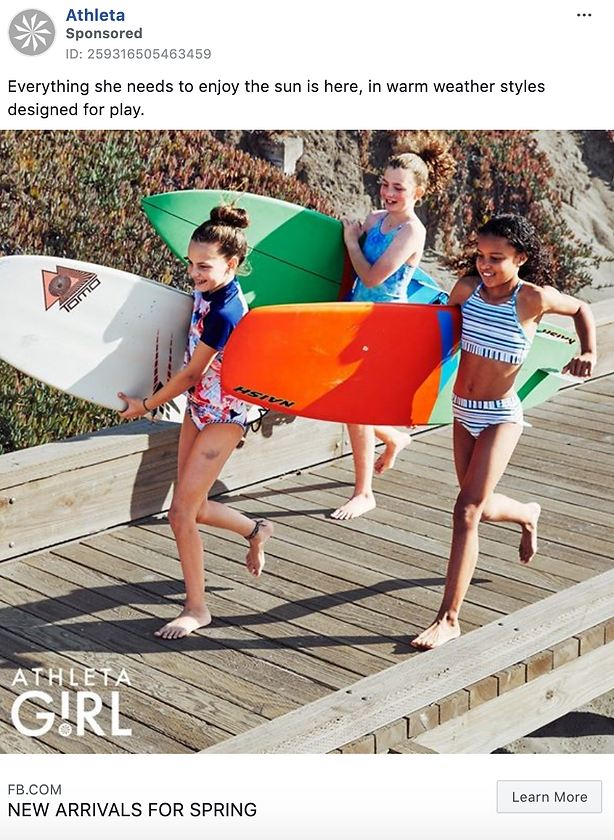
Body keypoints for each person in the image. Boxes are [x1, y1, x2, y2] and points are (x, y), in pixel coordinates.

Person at [411, 213, 597, 649]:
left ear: (521, 258)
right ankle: (526, 513)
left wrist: (588, 350)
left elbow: (583, 308)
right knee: (481, 507)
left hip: (500, 414)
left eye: (497, 258)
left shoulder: (531, 298)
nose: (485, 265)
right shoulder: (466, 289)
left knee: (466, 511)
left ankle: (449, 619)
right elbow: (432, 332)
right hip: (462, 411)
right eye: (480, 255)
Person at [118, 205, 274, 640]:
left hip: (225, 416)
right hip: (198, 409)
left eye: (204, 266)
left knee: (180, 512)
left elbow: (191, 373)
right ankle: (256, 529)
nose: (194, 273)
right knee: (197, 507)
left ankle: (197, 608)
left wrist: (144, 404)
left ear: (232, 264)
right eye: (190, 263)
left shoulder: (225, 311)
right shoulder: (209, 293)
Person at [331, 141, 455, 520]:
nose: (388, 193)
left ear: (418, 192)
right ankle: (393, 436)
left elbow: (371, 275)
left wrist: (352, 240)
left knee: (355, 405)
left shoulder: (412, 232)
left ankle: (365, 492)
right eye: (385, 184)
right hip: (353, 316)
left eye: (398, 188)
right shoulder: (374, 220)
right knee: (345, 401)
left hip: (383, 324)